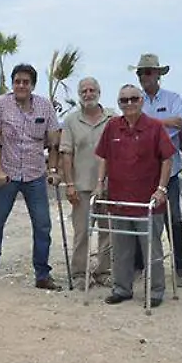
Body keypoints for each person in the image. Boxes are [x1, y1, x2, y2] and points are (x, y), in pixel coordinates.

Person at [0, 63, 62, 290]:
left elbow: (55, 142)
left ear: (32, 85)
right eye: (17, 81)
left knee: (42, 225)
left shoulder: (45, 106)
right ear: (13, 83)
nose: (21, 85)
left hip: (35, 174)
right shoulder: (0, 104)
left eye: (26, 82)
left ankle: (42, 273)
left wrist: (53, 171)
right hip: (6, 172)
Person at [94, 84, 175, 306]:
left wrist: (161, 189)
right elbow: (103, 157)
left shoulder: (155, 127)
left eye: (133, 99)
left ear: (141, 101)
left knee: (152, 249)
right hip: (119, 200)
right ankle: (122, 289)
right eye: (124, 100)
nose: (129, 104)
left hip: (147, 200)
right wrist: (100, 183)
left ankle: (156, 291)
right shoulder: (112, 126)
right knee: (120, 250)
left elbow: (167, 159)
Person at [133, 53, 182, 286]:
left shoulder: (174, 98)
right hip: (143, 171)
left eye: (148, 72)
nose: (144, 76)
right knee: (140, 219)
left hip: (172, 170)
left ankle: (180, 267)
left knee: (174, 220)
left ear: (158, 74)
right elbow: (133, 128)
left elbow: (179, 124)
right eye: (140, 72)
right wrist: (162, 123)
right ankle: (140, 266)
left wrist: (148, 124)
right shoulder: (135, 100)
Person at [59, 76, 117, 286]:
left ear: (99, 92)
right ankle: (79, 273)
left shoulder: (112, 118)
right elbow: (66, 153)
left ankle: (104, 271)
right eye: (84, 91)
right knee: (82, 232)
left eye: (92, 90)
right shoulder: (71, 121)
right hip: (81, 186)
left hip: (109, 187)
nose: (88, 94)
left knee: (107, 231)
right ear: (79, 95)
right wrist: (70, 184)